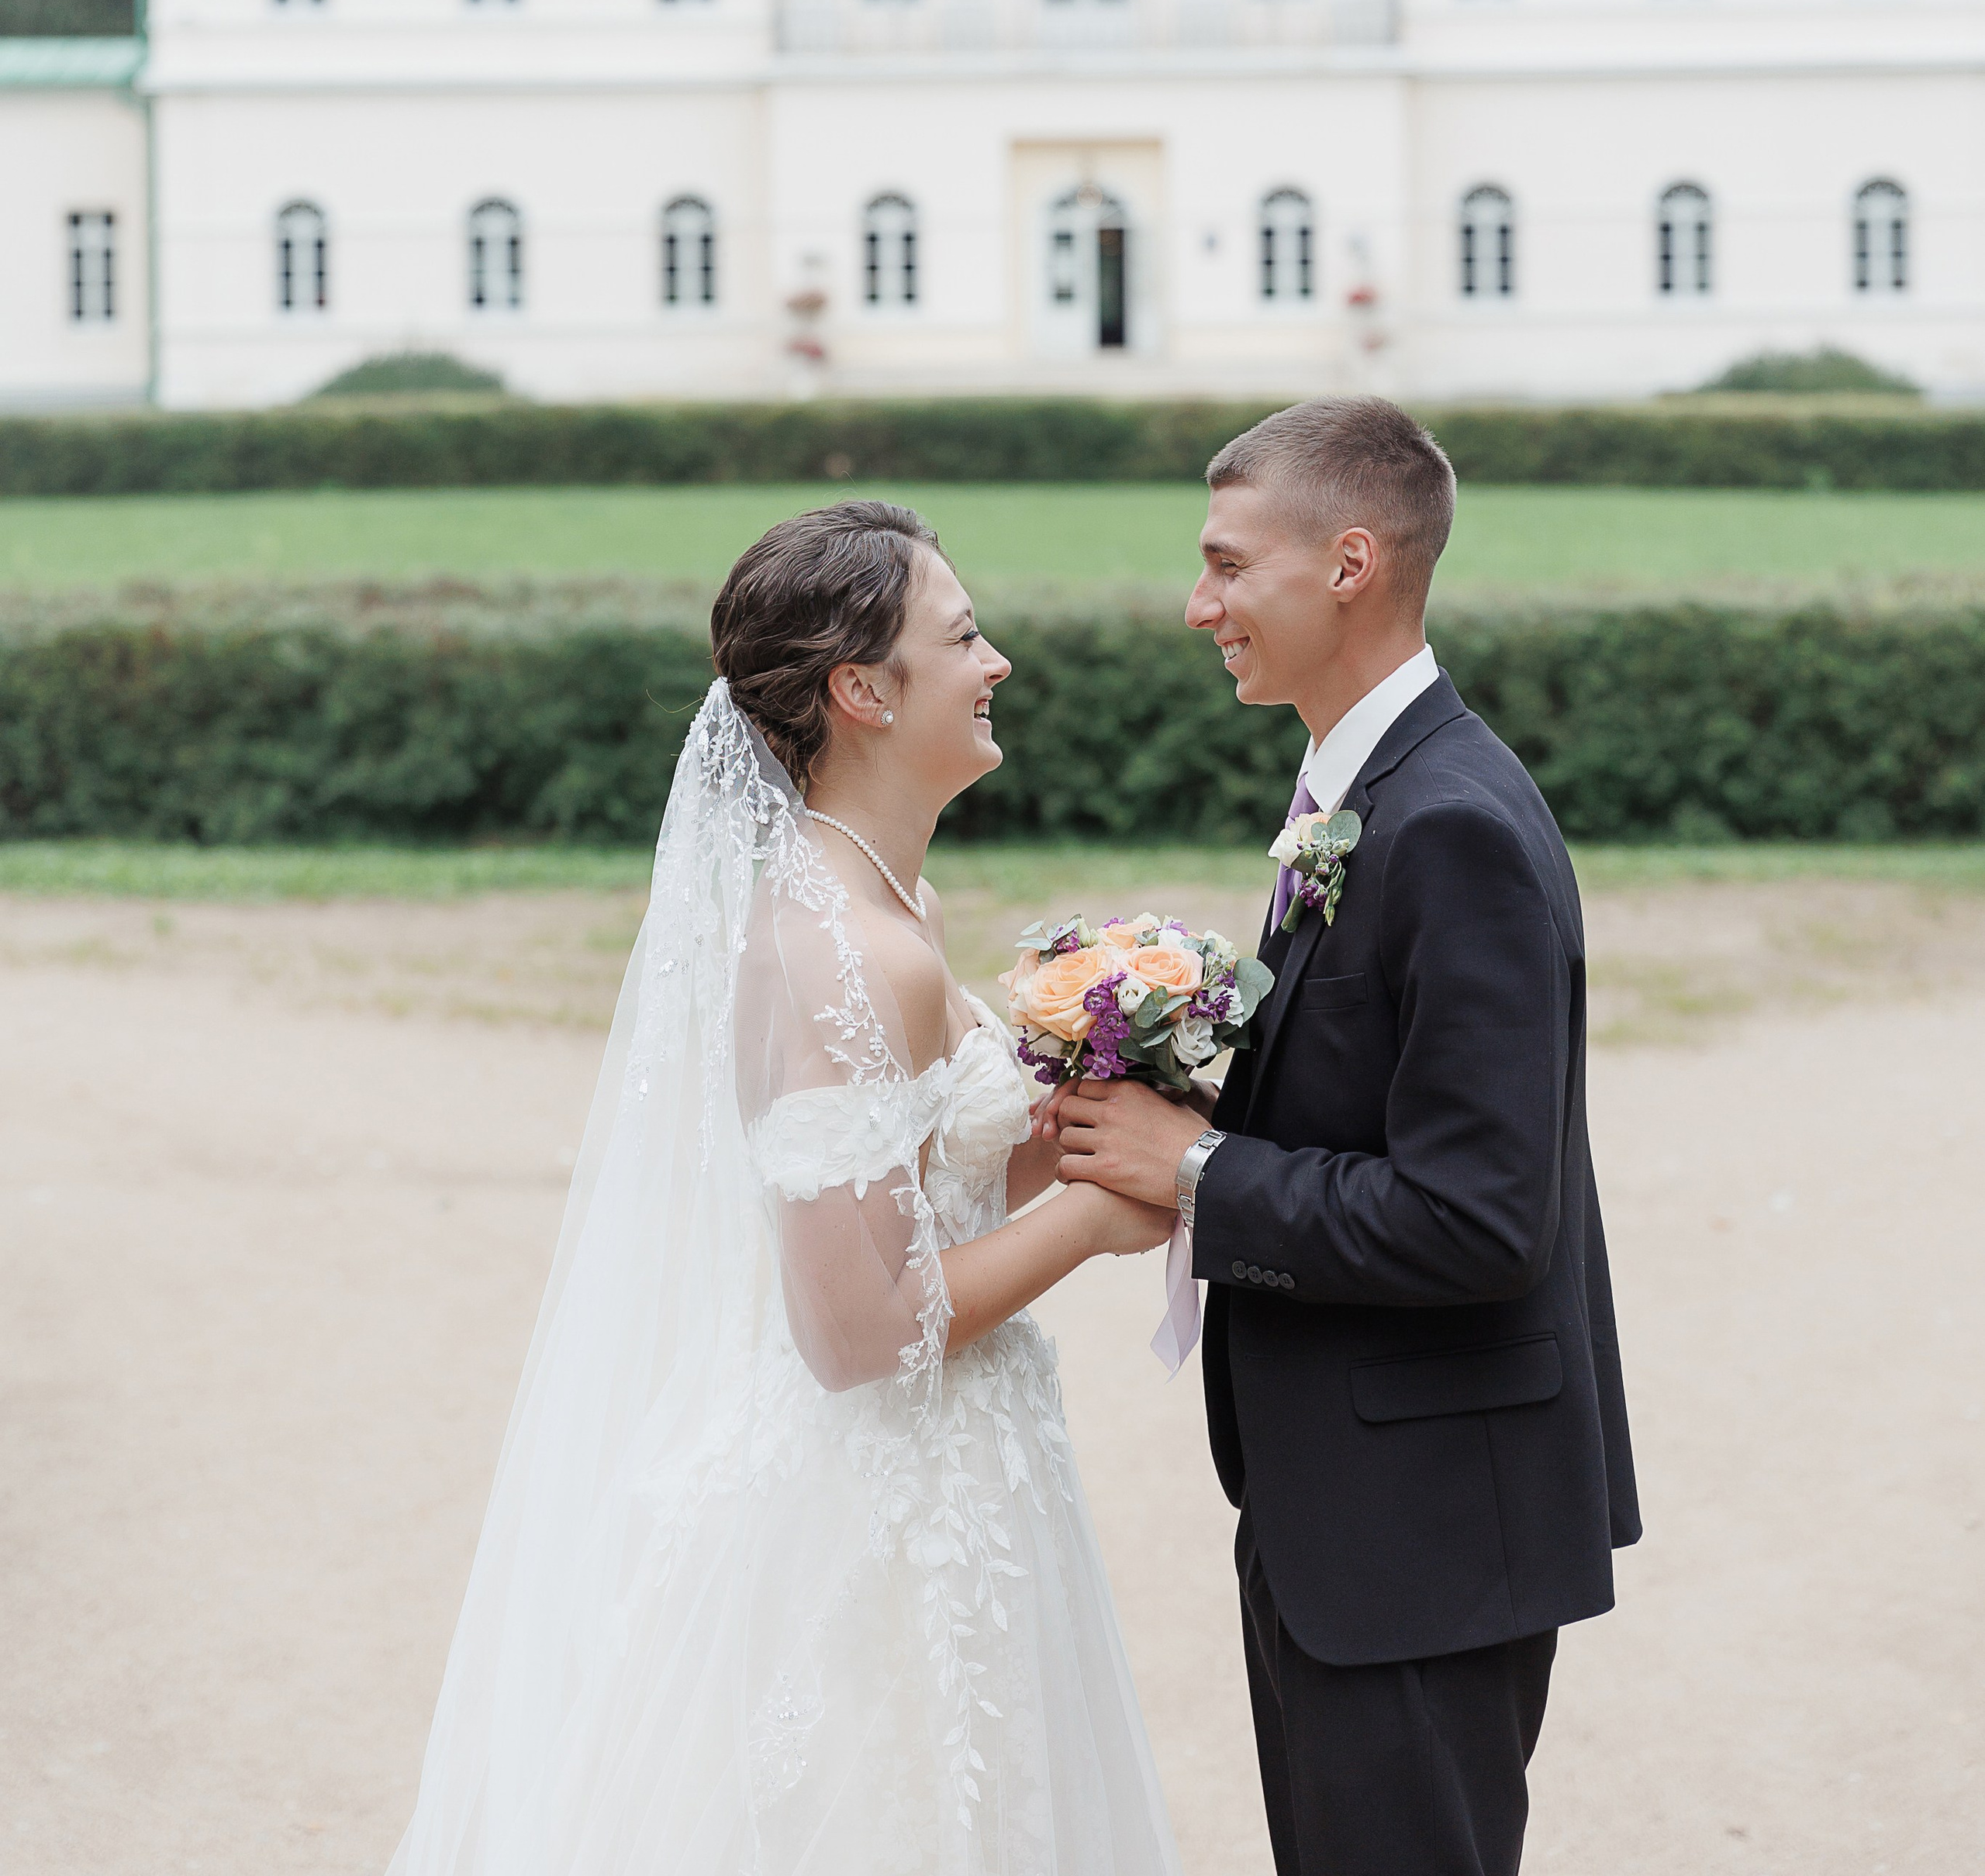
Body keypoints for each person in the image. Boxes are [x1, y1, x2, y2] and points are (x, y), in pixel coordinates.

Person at [387, 498, 1179, 1876]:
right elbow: (856, 1331)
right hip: (868, 1501)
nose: (996, 662)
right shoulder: (842, 951)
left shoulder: (898, 907)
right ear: (863, 692)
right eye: (964, 637)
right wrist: (1093, 1219)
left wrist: (1101, 1114)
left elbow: (925, 1180)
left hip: (965, 1467)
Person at [1055, 397, 1639, 1876]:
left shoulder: (1449, 824)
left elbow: (1481, 1218)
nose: (1199, 607)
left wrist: (1196, 1172)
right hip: (1352, 1510)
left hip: (1424, 1531)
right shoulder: (1361, 788)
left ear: (1350, 563)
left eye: (1226, 565)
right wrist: (1188, 1083)